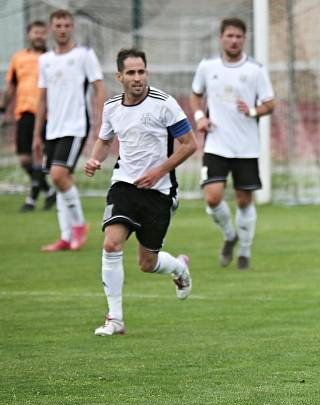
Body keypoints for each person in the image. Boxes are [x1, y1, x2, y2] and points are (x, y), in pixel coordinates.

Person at [85, 48, 198, 336]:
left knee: (147, 263)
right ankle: (115, 319)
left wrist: (158, 172)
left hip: (159, 191)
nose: (138, 78)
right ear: (119, 76)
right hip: (124, 185)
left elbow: (189, 144)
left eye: (142, 71)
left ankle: (179, 268)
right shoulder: (112, 107)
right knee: (111, 244)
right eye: (131, 73)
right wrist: (95, 159)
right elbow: (104, 139)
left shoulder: (165, 104)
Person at [190, 17, 275, 270]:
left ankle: (245, 253)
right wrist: (200, 117)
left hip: (246, 146)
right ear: (221, 37)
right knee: (213, 197)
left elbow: (270, 104)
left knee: (244, 201)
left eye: (238, 36)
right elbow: (195, 96)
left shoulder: (255, 70)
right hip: (216, 143)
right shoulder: (207, 66)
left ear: (244, 39)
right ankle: (229, 235)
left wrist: (251, 111)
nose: (234, 40)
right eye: (230, 36)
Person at [33, 9, 106, 251]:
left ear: (72, 27)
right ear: (51, 29)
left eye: (66, 25)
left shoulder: (84, 55)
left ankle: (79, 226)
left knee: (57, 175)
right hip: (52, 129)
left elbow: (99, 87)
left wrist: (103, 119)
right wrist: (37, 133)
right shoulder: (45, 60)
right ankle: (65, 237)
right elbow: (42, 99)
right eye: (58, 25)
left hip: (75, 125)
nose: (62, 29)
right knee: (60, 180)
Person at [0, 20, 56, 212]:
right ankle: (48, 192)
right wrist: (2, 108)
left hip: (48, 114)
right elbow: (11, 87)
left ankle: (32, 199)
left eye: (42, 32)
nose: (38, 36)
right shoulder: (18, 58)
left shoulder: (52, 57)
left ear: (46, 35)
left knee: (39, 157)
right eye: (35, 32)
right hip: (24, 112)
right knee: (24, 159)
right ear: (29, 35)